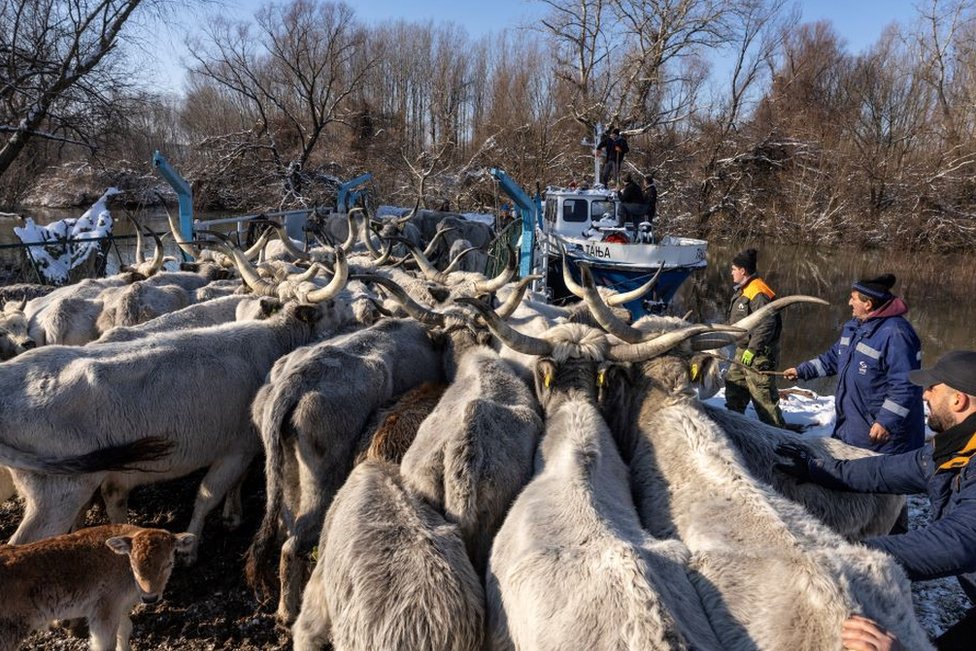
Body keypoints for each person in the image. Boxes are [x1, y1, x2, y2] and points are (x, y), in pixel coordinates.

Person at [776, 350, 976, 650]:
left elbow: (959, 540)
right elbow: (884, 471)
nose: (924, 395)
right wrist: (817, 469)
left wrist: (844, 555)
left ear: (958, 400)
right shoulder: (955, 449)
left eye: (933, 388)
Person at [783, 274, 924, 454]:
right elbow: (833, 358)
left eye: (853, 298)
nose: (849, 302)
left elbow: (906, 385)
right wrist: (802, 371)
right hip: (851, 425)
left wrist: (886, 422)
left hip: (882, 437)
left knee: (873, 479)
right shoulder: (855, 327)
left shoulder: (897, 334)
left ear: (868, 304)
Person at [725, 248, 787, 427]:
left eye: (733, 269)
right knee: (734, 388)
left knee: (763, 400)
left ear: (743, 271)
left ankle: (780, 438)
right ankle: (735, 427)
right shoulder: (744, 289)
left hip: (758, 355)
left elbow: (767, 324)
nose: (731, 272)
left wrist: (753, 349)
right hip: (742, 351)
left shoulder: (758, 292)